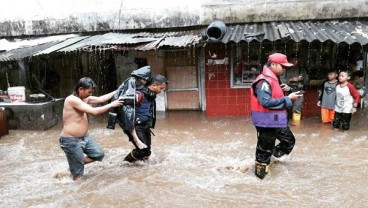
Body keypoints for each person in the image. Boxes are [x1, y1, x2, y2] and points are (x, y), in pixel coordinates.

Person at [59, 77, 123, 181]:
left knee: (99, 154)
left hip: (84, 137)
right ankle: (75, 174)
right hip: (70, 140)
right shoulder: (71, 100)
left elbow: (102, 99)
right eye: (89, 92)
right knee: (78, 176)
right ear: (80, 89)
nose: (91, 94)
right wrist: (112, 104)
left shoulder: (84, 98)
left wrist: (118, 90)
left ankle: (75, 163)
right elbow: (94, 112)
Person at [250, 53, 302, 179]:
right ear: (273, 64)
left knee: (289, 141)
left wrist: (287, 90)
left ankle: (272, 160)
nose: (285, 69)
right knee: (263, 152)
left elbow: (274, 96)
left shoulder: (274, 79)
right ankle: (260, 178)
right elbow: (266, 102)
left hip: (276, 120)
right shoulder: (264, 81)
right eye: (282, 66)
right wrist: (288, 99)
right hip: (266, 122)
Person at [123, 74, 168, 163]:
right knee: (144, 150)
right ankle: (126, 163)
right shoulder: (139, 94)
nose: (162, 91)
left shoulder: (150, 95)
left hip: (145, 125)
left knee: (147, 149)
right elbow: (126, 111)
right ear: (154, 85)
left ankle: (141, 165)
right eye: (161, 88)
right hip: (136, 127)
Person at [106, 65, 152, 149]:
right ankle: (136, 140)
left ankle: (138, 153)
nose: (145, 82)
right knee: (129, 117)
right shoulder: (132, 82)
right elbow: (127, 97)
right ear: (143, 78)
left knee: (145, 150)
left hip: (124, 106)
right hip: (123, 106)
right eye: (145, 80)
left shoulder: (131, 82)